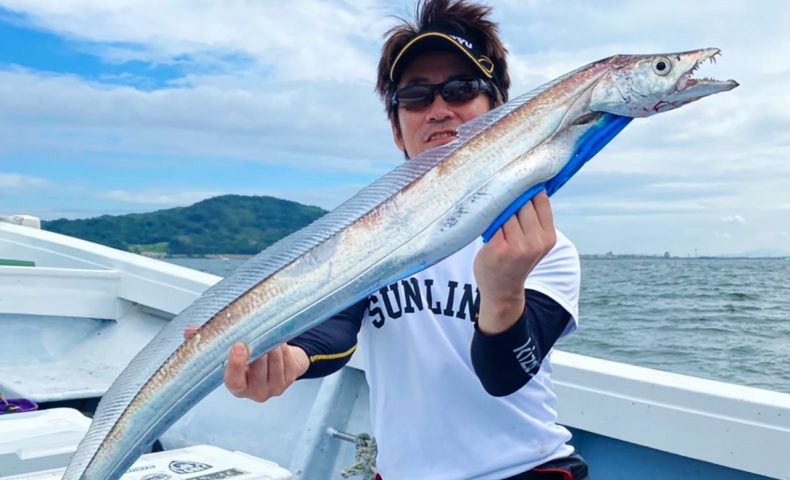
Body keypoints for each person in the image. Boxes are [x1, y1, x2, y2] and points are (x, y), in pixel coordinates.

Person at [191, 1, 589, 478]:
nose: (439, 111)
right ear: (397, 130)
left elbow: (506, 373)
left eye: (462, 90)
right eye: (417, 96)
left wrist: (504, 295)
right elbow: (333, 332)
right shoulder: (369, 242)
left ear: (498, 112)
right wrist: (287, 359)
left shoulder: (543, 248)